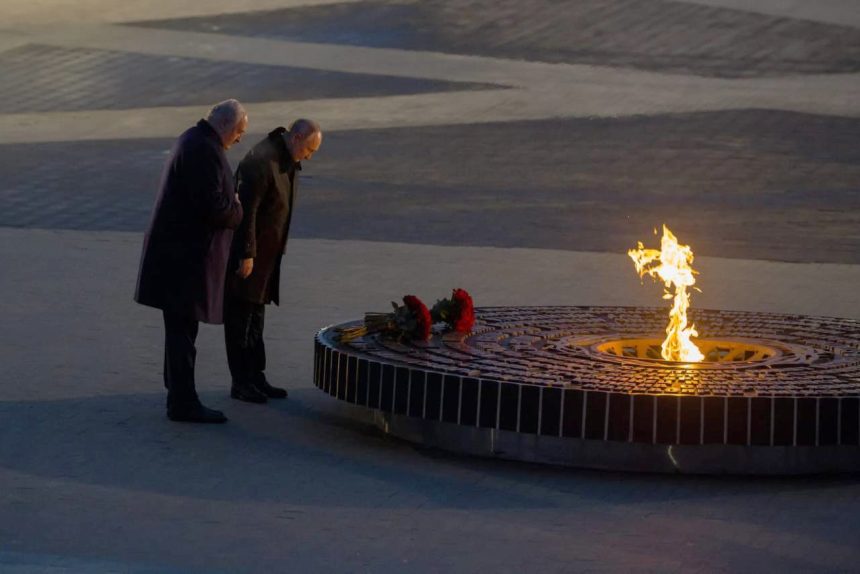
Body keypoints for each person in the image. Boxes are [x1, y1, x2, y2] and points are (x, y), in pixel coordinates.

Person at [134, 100, 248, 423]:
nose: (240, 139)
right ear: (226, 125)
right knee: (182, 331)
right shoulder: (204, 150)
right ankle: (183, 402)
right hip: (185, 261)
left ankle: (178, 391)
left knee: (180, 329)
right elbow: (214, 208)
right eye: (240, 132)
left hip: (177, 258)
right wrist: (237, 208)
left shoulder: (194, 139)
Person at [224, 119, 322, 403]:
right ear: (297, 136)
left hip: (266, 258)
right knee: (241, 319)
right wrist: (246, 252)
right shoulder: (262, 160)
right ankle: (241, 382)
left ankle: (256, 376)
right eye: (309, 149)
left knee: (255, 318)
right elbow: (247, 212)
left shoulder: (285, 159)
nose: (309, 156)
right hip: (251, 257)